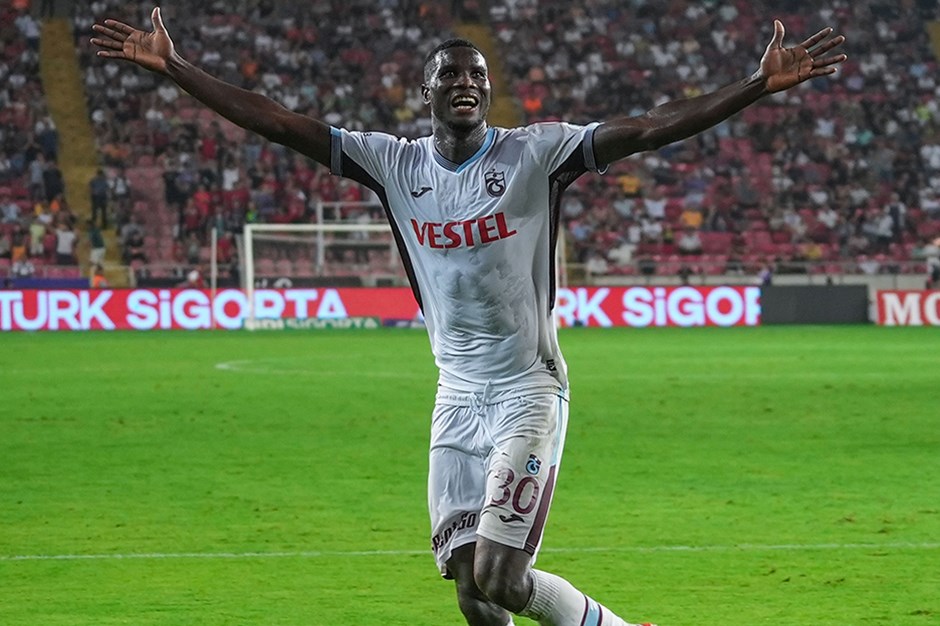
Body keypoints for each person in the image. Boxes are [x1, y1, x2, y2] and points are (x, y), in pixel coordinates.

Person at [92, 9, 845, 626]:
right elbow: (281, 124)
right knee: (468, 588)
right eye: (451, 74)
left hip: (527, 391)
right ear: (426, 91)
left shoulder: (535, 155)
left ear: (489, 92)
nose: (466, 83)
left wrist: (754, 85)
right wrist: (179, 68)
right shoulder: (395, 164)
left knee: (502, 576)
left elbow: (648, 127)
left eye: (477, 75)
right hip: (454, 395)